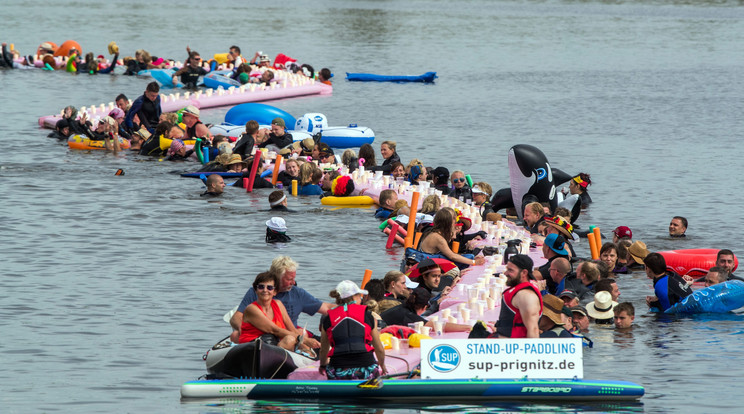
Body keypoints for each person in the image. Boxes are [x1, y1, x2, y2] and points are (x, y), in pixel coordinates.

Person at [230, 256, 333, 345]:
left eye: (294, 278)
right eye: (289, 279)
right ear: (277, 278)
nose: (293, 282)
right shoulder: (258, 292)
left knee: (301, 332)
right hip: (260, 335)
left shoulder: (296, 294)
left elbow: (327, 308)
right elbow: (236, 318)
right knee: (235, 335)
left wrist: (347, 305)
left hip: (288, 335)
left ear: (274, 292)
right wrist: (244, 330)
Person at [318, 280, 387, 380]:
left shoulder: (327, 318)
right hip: (366, 369)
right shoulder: (368, 316)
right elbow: (379, 348)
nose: (361, 299)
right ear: (354, 297)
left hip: (338, 371)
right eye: (360, 296)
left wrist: (323, 365)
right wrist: (382, 365)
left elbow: (323, 349)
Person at [238, 272, 306, 352]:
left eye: (269, 288)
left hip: (274, 345)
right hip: (251, 347)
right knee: (290, 338)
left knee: (294, 336)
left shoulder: (278, 304)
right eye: (261, 287)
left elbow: (292, 329)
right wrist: (304, 340)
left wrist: (306, 346)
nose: (265, 290)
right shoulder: (251, 309)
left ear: (275, 292)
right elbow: (274, 330)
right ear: (256, 290)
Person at [418, 208, 485, 269]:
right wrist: (474, 262)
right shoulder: (438, 238)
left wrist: (471, 258)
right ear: (448, 223)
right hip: (427, 267)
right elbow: (452, 256)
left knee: (467, 257)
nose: (456, 223)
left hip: (429, 263)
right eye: (454, 221)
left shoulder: (434, 233)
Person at [496, 255, 543, 338]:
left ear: (524, 273)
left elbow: (533, 330)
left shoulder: (527, 296)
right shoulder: (519, 291)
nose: (505, 273)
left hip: (513, 348)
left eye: (510, 270)